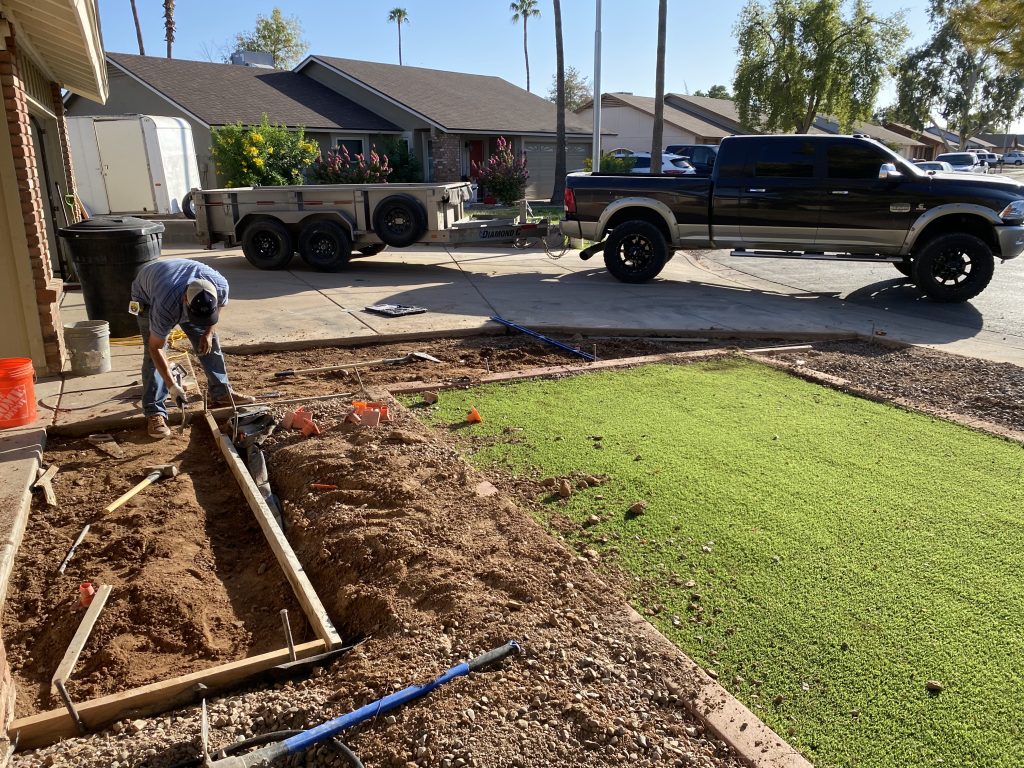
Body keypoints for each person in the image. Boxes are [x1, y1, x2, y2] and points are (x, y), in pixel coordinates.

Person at [130, 258, 255, 438]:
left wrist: (208, 333)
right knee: (153, 357)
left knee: (210, 343)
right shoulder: (165, 305)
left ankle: (221, 392)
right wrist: (172, 386)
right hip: (147, 294)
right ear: (185, 301)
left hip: (176, 284)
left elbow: (219, 308)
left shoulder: (220, 286)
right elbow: (155, 348)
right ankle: (154, 411)